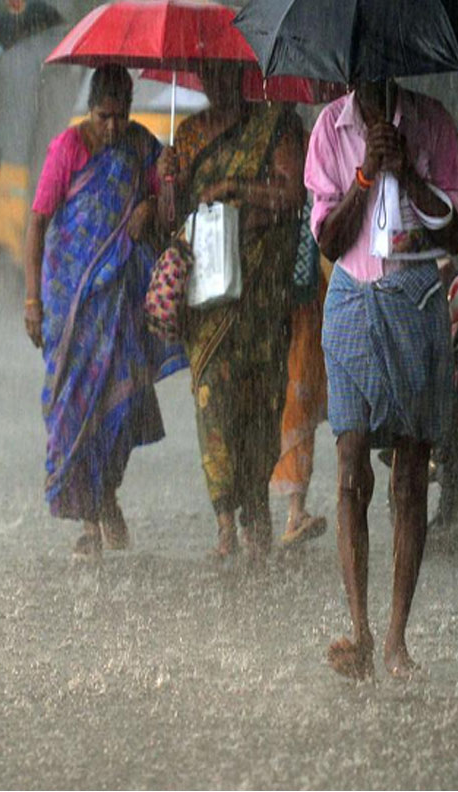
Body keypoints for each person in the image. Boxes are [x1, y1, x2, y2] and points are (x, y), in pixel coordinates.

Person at [305, 78, 458, 679]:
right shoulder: (330, 129)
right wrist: (368, 174)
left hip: (415, 300)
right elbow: (327, 240)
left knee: (409, 477)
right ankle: (360, 632)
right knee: (350, 469)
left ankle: (397, 638)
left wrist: (411, 170)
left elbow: (455, 232)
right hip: (351, 302)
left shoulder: (432, 123)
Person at [24, 64, 184, 559]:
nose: (112, 126)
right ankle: (90, 520)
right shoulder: (68, 149)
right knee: (74, 409)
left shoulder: (142, 148)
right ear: (89, 109)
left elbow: (172, 214)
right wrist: (32, 299)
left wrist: (157, 197)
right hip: (71, 303)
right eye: (103, 115)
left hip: (122, 305)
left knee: (119, 405)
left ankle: (105, 494)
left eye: (120, 115)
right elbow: (37, 226)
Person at [160, 62, 305, 564]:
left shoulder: (278, 125)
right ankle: (224, 519)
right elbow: (174, 218)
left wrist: (236, 191)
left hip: (262, 295)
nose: (216, 83)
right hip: (209, 296)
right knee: (212, 398)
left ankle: (256, 507)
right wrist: (167, 184)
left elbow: (291, 196)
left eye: (227, 74)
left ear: (245, 76)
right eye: (208, 75)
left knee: (261, 402)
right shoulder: (190, 133)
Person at [270, 206, 329, 549]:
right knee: (292, 397)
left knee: (295, 397)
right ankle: (260, 518)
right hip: (288, 288)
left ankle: (290, 513)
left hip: (293, 290)